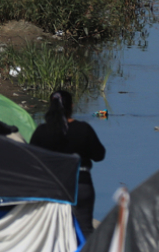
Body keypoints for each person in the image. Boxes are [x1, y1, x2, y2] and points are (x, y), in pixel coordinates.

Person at [30, 89, 106, 238]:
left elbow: (31, 160)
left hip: (52, 188)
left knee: (52, 234)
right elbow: (99, 155)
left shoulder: (42, 131)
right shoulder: (84, 129)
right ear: (71, 106)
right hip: (81, 184)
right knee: (85, 230)